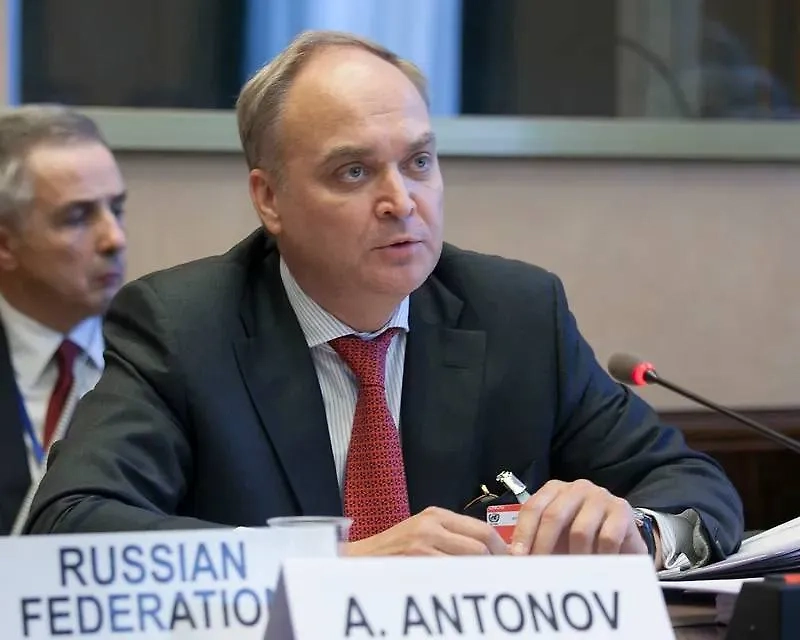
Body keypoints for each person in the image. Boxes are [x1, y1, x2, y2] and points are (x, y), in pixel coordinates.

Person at [24, 32, 742, 568]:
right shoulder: (185, 327)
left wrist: (633, 532)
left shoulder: (517, 314)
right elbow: (71, 526)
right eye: (354, 171)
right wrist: (334, 562)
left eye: (419, 161)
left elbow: (695, 490)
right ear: (269, 199)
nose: (402, 201)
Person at [0, 105, 127, 535]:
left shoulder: (164, 352)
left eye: (116, 209)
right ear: (5, 245)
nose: (114, 239)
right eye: (78, 217)